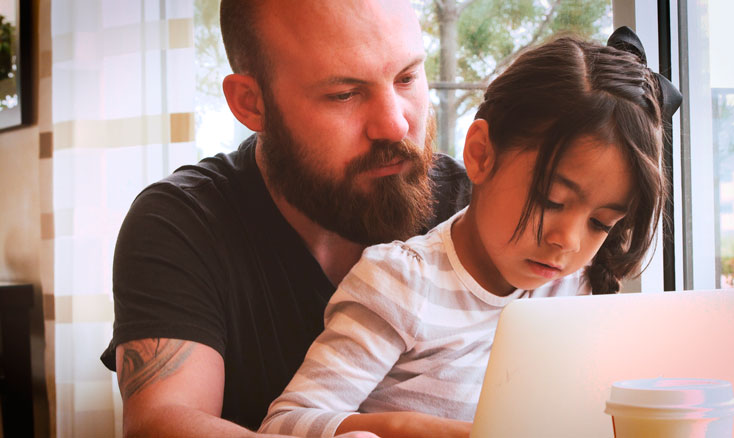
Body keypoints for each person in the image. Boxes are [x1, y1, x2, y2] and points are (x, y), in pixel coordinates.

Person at [257, 28, 682, 438]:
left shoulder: (574, 289)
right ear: (480, 153)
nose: (568, 241)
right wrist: (408, 428)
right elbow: (284, 424)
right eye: (551, 201)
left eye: (600, 223)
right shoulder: (402, 284)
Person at [99, 0, 471, 436]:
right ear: (250, 103)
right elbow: (161, 424)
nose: (394, 124)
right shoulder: (183, 222)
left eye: (407, 77)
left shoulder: (471, 208)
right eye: (344, 94)